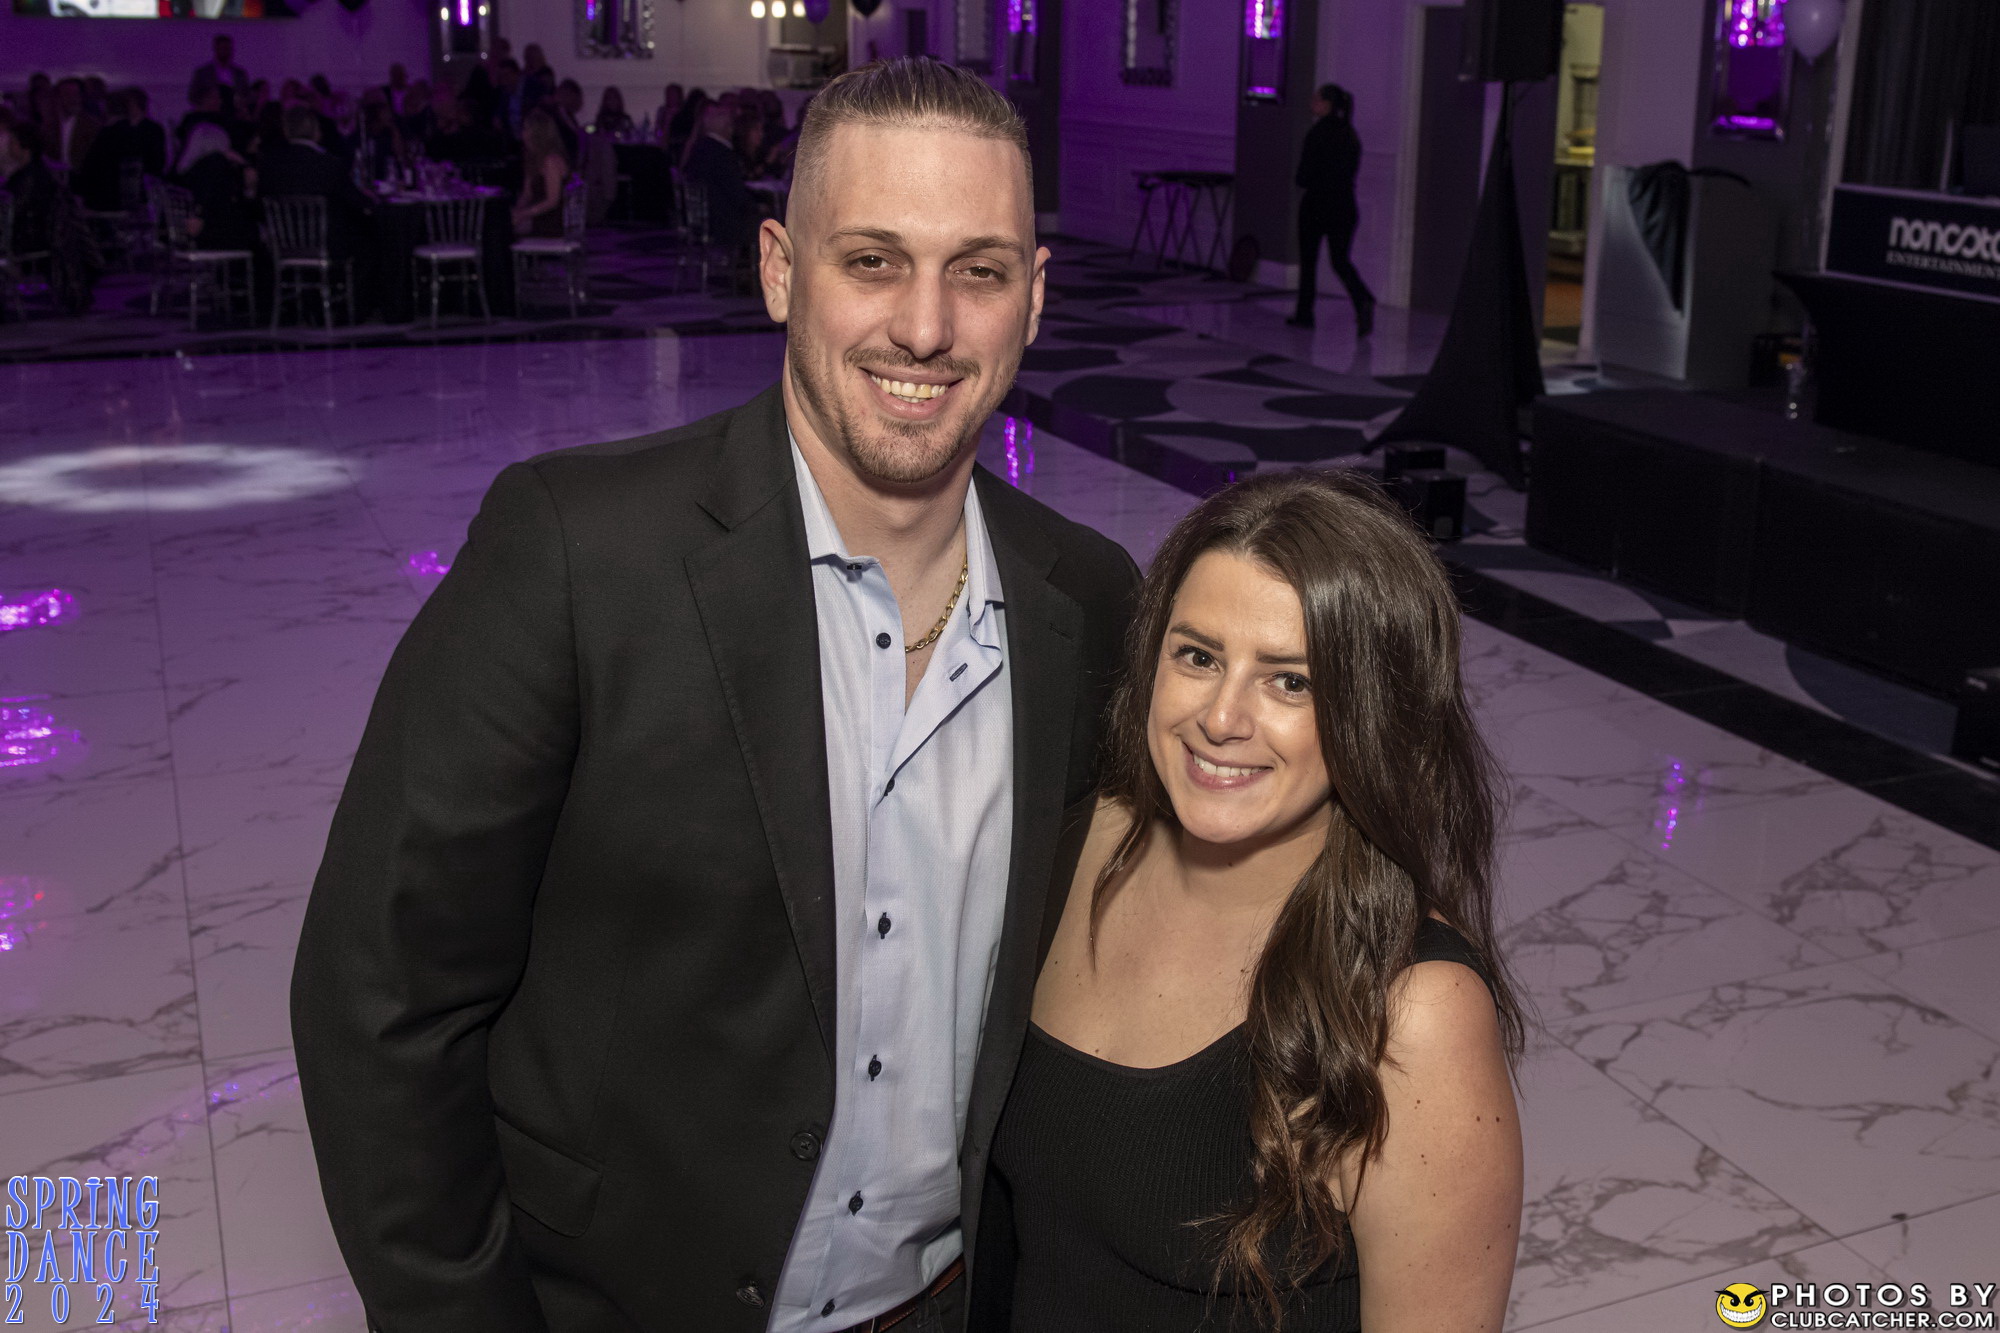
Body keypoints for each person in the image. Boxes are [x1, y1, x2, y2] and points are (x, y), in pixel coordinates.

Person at [292, 55, 1136, 1333]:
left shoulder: (1088, 597)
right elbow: (381, 999)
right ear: (779, 270)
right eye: (871, 260)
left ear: (1034, 297)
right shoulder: (576, 553)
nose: (924, 326)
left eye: (978, 270)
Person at [983, 470, 1525, 1331]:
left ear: (1372, 713)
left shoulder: (1413, 1012)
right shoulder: (1080, 845)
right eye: (1198, 656)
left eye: (1290, 681)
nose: (1222, 717)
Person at [1288, 83, 1377, 338]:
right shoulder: (1350, 134)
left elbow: (1303, 176)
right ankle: (1362, 297)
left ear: (1327, 104)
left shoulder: (1317, 133)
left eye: (1316, 99)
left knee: (1309, 260)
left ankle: (1305, 313)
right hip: (1345, 204)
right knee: (1340, 260)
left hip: (1316, 203)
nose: (1312, 102)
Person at [256, 103, 372, 262]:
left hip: (282, 245)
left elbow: (260, 206)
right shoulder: (329, 164)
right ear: (316, 131)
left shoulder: (269, 165)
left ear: (286, 131)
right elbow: (357, 202)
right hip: (327, 246)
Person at [682, 99, 754, 251]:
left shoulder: (699, 149)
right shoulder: (722, 154)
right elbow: (737, 195)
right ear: (727, 126)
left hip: (703, 218)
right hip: (724, 221)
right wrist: (758, 205)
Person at [172, 121, 255, 251]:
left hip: (187, 234)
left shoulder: (184, 171)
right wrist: (244, 164)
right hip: (215, 235)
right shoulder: (216, 165)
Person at [511, 107, 569, 238]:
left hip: (551, 220)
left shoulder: (551, 161)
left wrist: (524, 214)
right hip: (536, 215)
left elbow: (552, 201)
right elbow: (527, 194)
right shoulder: (533, 159)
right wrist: (517, 210)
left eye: (525, 129)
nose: (522, 133)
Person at [189, 33, 251, 118]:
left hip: (234, 116)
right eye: (222, 48)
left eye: (228, 49)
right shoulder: (203, 73)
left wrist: (241, 103)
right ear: (216, 49)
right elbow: (193, 96)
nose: (226, 52)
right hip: (209, 115)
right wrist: (206, 104)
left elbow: (247, 94)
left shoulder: (239, 73)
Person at [50, 77, 101, 171]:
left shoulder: (92, 126)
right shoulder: (50, 124)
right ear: (58, 98)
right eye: (67, 94)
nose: (73, 98)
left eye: (76, 94)